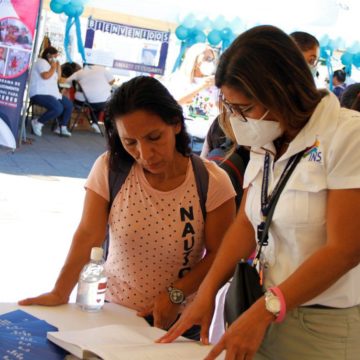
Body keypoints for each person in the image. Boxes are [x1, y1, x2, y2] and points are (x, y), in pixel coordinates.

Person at [159, 25, 360, 360]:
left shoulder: (347, 135)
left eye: (246, 108)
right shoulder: (266, 137)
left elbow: (346, 249)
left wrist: (267, 309)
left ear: (282, 90)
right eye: (232, 108)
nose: (239, 120)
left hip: (321, 326)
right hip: (261, 308)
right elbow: (247, 223)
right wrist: (206, 291)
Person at [18, 76, 236, 341]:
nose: (145, 154)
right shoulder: (110, 168)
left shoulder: (211, 181)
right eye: (130, 142)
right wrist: (60, 291)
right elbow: (89, 234)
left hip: (178, 322)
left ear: (176, 124)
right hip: (108, 314)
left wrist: (175, 295)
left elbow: (220, 254)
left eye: (154, 137)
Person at [163, 43, 219, 143]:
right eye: (206, 58)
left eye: (212, 60)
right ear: (195, 58)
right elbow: (173, 103)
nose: (210, 63)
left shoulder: (215, 83)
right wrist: (202, 86)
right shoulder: (178, 79)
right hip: (182, 138)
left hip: (206, 140)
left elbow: (221, 109)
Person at [29, 46, 73, 137]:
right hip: (39, 92)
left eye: (57, 56)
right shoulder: (41, 62)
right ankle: (38, 122)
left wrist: (58, 67)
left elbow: (59, 79)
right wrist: (53, 67)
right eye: (54, 56)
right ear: (49, 55)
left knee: (68, 105)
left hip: (52, 93)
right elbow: (45, 76)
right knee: (58, 108)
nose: (56, 58)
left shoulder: (50, 65)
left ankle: (61, 127)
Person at [65, 63, 115, 133]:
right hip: (101, 103)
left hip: (80, 102)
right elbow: (112, 81)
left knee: (93, 103)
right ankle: (96, 123)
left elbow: (67, 81)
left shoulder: (80, 72)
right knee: (101, 103)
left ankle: (95, 123)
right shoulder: (102, 69)